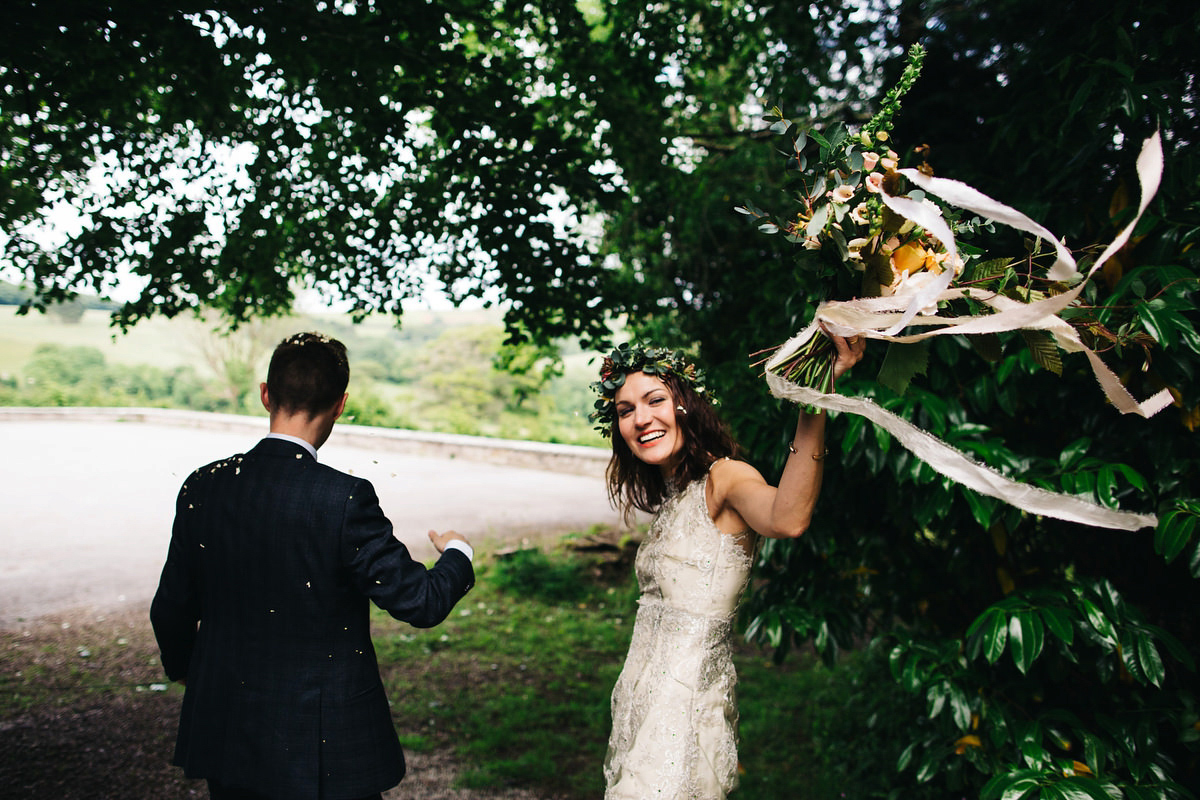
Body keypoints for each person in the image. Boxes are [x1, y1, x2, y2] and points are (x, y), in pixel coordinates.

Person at [150, 332, 476, 800]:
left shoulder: (203, 486)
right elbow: (420, 602)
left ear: (266, 393)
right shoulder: (343, 498)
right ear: (340, 404)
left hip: (227, 728)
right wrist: (457, 553)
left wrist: (187, 669)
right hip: (324, 744)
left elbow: (171, 608)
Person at [593, 334, 864, 800]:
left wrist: (812, 402)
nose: (640, 419)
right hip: (639, 711)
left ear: (686, 405)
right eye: (624, 410)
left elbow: (788, 517)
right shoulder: (678, 493)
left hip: (681, 720)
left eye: (654, 399)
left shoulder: (726, 477)